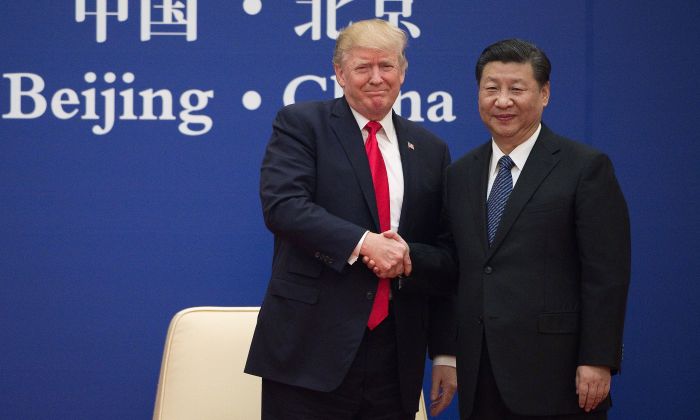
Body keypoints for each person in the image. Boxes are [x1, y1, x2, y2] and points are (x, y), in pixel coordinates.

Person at [244, 18, 457, 419]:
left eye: (387, 66)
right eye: (363, 67)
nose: (376, 78)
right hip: (309, 349)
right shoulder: (302, 124)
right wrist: (365, 243)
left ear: (403, 72)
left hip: (395, 357)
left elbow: (446, 253)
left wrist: (445, 351)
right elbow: (284, 206)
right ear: (340, 73)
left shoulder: (430, 148)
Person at [445, 39, 631, 419]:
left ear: (544, 94)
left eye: (517, 89)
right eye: (491, 88)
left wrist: (597, 358)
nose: (502, 101)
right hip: (481, 374)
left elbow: (606, 273)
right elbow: (456, 266)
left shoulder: (584, 167)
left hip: (558, 376)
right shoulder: (460, 173)